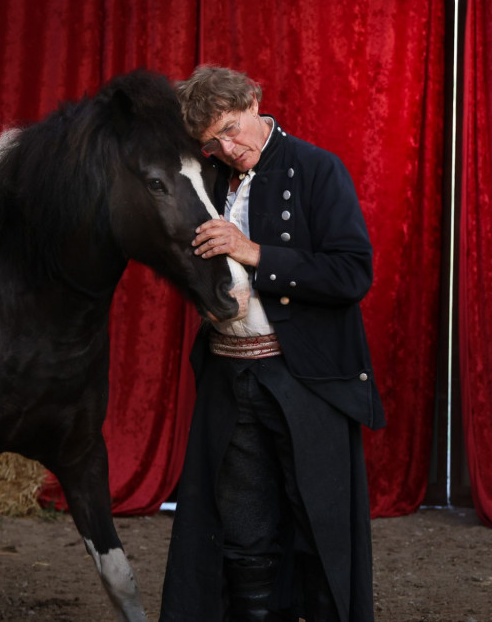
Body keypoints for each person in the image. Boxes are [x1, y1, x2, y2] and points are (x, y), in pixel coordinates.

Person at [160, 65, 386, 622]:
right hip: (228, 379)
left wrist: (255, 252)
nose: (227, 147)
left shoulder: (316, 169)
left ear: (256, 101)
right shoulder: (206, 180)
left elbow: (353, 274)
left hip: (304, 380)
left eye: (233, 129)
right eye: (212, 140)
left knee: (318, 528)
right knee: (239, 528)